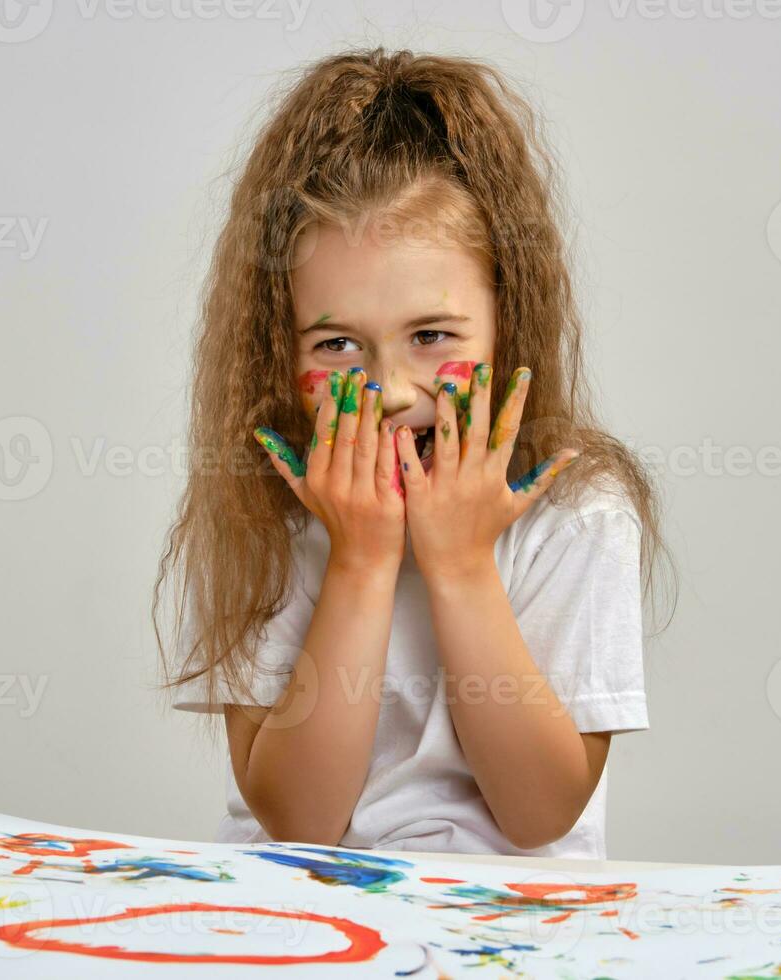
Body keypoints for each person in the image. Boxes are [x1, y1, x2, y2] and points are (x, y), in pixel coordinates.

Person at [154, 47, 668, 859]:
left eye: (431, 336)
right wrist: (360, 562)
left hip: (506, 933)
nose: (390, 390)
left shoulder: (576, 513)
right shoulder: (261, 512)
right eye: (338, 345)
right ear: (275, 345)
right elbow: (299, 822)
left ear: (510, 319)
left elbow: (540, 815)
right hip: (308, 914)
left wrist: (460, 566)